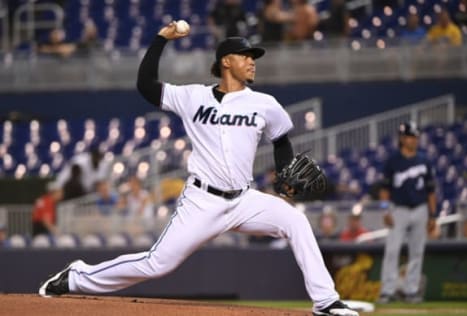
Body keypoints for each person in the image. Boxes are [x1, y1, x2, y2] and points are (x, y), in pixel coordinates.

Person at [38, 22, 358, 316]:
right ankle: (77, 278)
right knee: (157, 264)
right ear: (225, 62)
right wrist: (160, 40)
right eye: (245, 55)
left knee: (295, 220)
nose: (252, 61)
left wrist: (282, 173)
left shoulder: (264, 103)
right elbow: (146, 85)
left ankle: (326, 301)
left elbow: (281, 140)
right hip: (202, 201)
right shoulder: (193, 97)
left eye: (253, 57)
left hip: (244, 200)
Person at [377, 122, 437, 304]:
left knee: (417, 251)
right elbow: (385, 189)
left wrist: (433, 215)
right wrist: (385, 210)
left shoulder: (424, 160)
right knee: (392, 250)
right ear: (402, 138)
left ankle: (411, 291)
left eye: (416, 137)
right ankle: (387, 291)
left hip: (420, 208)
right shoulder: (393, 161)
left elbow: (431, 190)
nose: (414, 140)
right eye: (411, 137)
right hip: (399, 209)